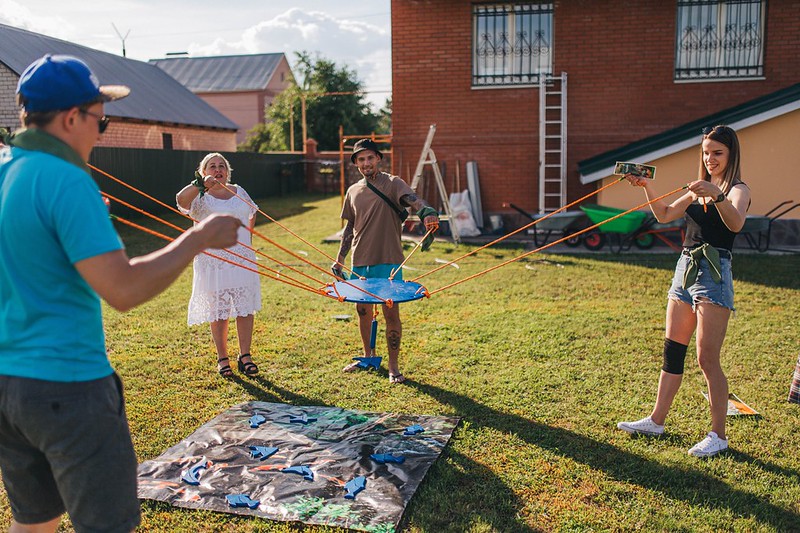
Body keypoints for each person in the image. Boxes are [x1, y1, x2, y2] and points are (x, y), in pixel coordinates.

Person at [0, 55, 241, 532]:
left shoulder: (9, 170)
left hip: (9, 387)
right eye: (101, 120)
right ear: (72, 118)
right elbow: (124, 290)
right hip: (68, 387)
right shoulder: (66, 180)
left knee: (35, 522)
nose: (101, 130)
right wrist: (198, 238)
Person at [617, 125, 751, 457]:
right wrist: (646, 186)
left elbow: (735, 223)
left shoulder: (737, 189)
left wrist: (715, 194)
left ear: (731, 154)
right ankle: (656, 421)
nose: (710, 159)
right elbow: (663, 215)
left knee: (707, 358)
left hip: (714, 272)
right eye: (706, 153)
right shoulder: (695, 190)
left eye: (717, 153)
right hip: (685, 269)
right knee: (673, 352)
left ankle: (718, 436)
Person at [332, 139, 439, 384]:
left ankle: (393, 366)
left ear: (378, 158)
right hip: (360, 262)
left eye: (370, 157)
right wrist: (340, 260)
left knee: (391, 313)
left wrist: (427, 212)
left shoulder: (392, 183)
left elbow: (414, 200)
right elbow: (349, 227)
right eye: (361, 159)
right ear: (356, 163)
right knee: (362, 311)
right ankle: (368, 357)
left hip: (389, 261)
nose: (366, 163)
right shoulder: (353, 191)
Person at [176, 153, 261, 377]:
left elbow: (252, 212)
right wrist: (199, 185)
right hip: (213, 260)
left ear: (227, 170)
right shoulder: (199, 195)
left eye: (221, 165)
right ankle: (222, 358)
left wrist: (248, 242)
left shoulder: (239, 191)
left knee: (244, 307)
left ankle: (245, 355)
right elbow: (180, 201)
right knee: (219, 310)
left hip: (242, 257)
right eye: (211, 166)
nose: (217, 169)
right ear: (203, 172)